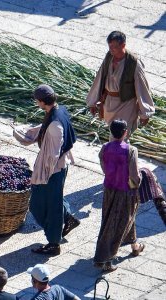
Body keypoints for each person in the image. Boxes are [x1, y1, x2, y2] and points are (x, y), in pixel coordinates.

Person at [13, 84, 80, 256]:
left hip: (53, 171)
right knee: (55, 200)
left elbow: (53, 153)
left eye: (37, 101)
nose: (36, 103)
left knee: (41, 205)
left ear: (42, 101)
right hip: (58, 168)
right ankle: (68, 219)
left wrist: (44, 175)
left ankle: (53, 243)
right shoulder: (60, 110)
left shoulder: (55, 125)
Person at [94, 119, 145, 272]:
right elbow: (135, 176)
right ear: (125, 132)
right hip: (125, 192)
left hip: (109, 190)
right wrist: (141, 179)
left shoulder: (104, 148)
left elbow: (104, 168)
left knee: (123, 219)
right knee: (117, 223)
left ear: (111, 132)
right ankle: (105, 260)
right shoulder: (131, 150)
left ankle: (135, 246)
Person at [86, 31, 155, 138]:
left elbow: (142, 87)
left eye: (114, 47)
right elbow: (99, 78)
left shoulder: (133, 63)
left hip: (126, 105)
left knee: (121, 135)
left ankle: (120, 152)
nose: (111, 49)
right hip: (109, 103)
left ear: (123, 45)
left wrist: (145, 112)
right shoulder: (109, 57)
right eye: (110, 46)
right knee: (113, 132)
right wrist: (93, 102)